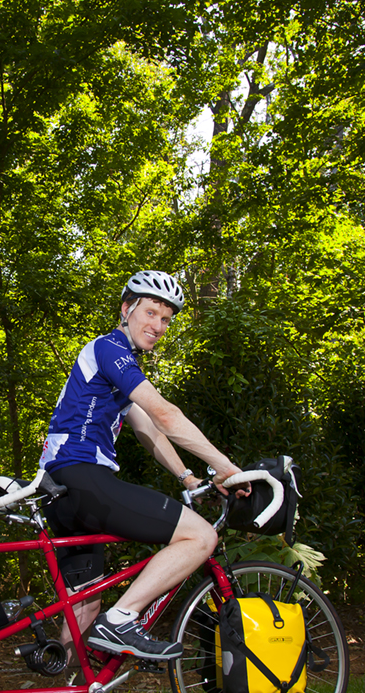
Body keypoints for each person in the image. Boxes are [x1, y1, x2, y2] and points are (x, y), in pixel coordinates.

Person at [39, 270, 249, 668]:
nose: (158, 326)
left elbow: (149, 430)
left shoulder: (113, 373)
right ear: (126, 309)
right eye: (151, 313)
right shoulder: (109, 348)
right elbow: (166, 415)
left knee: (84, 600)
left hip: (60, 488)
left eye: (166, 319)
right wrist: (225, 467)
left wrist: (187, 477)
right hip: (81, 476)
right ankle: (121, 619)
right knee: (199, 536)